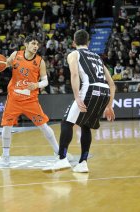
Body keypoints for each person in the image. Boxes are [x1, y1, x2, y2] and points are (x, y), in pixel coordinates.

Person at [44, 29, 115, 173]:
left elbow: (75, 74)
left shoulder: (74, 54)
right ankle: (83, 163)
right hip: (105, 91)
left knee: (66, 122)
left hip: (89, 90)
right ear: (88, 42)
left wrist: (77, 96)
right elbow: (112, 83)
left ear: (74, 42)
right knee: (86, 125)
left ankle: (62, 159)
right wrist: (109, 105)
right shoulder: (97, 57)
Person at [0, 35, 60, 166]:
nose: (36, 46)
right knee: (7, 126)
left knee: (43, 126)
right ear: (26, 44)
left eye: (37, 44)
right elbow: (3, 65)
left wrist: (36, 85)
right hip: (13, 98)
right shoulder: (15, 55)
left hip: (30, 100)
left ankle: (58, 152)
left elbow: (45, 81)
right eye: (33, 43)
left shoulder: (40, 61)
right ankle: (5, 155)